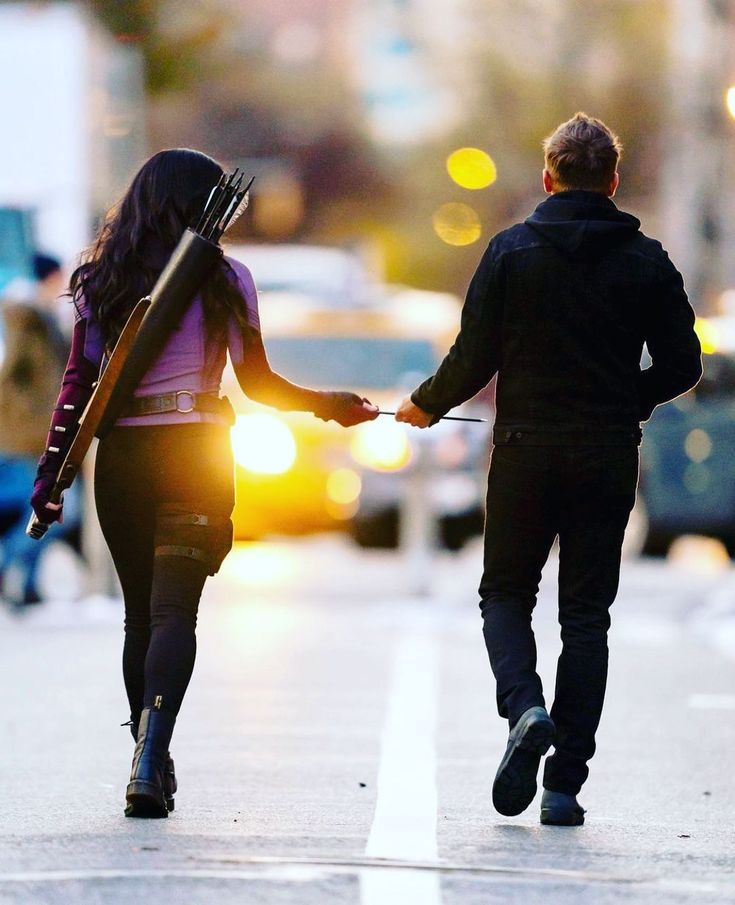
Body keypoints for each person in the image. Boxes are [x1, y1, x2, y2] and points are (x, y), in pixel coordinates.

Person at [29, 148, 379, 818]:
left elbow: (79, 386)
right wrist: (328, 403)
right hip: (197, 450)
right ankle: (151, 753)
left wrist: (53, 473)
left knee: (139, 615)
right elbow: (259, 384)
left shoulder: (99, 279)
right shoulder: (227, 278)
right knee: (173, 615)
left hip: (126, 456)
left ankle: (146, 760)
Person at [396, 113, 702, 826]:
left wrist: (423, 406)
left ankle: (523, 706)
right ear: (612, 181)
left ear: (548, 176)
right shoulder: (646, 260)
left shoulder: (511, 252)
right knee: (586, 617)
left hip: (525, 450)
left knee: (504, 592)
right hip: (604, 452)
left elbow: (473, 356)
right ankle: (564, 784)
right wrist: (628, 397)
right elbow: (682, 364)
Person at [0, 253, 80, 605]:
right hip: (26, 438)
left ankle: (28, 585)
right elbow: (11, 372)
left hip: (42, 437)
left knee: (44, 511)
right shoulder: (24, 320)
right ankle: (11, 564)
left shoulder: (42, 321)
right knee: (56, 510)